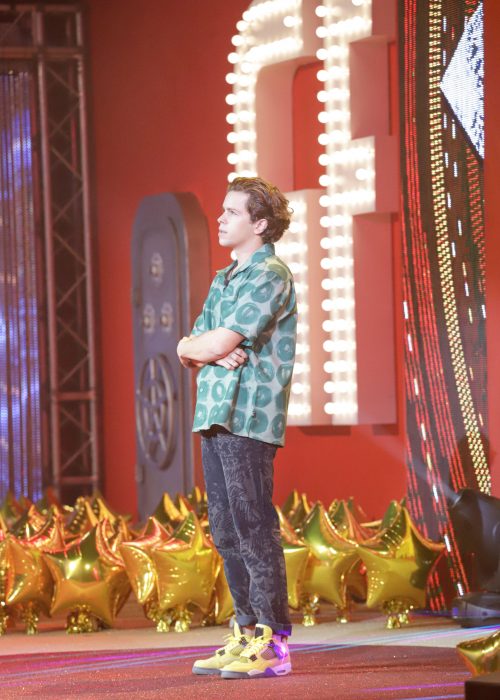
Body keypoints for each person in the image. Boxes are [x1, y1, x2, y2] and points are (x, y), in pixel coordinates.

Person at [176, 176, 297, 680]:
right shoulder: (224, 278)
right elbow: (191, 346)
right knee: (226, 531)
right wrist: (198, 347)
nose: (220, 219)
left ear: (260, 224)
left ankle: (273, 640)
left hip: (248, 414)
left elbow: (214, 342)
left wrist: (209, 347)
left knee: (253, 526)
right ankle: (245, 631)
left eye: (232, 212)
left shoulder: (270, 275)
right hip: (213, 414)